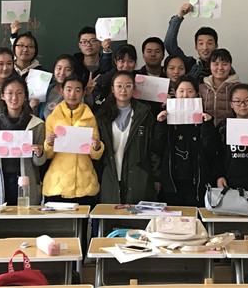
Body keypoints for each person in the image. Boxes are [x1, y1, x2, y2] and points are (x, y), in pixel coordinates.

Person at [153, 76, 222, 206]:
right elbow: (157, 147)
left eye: (190, 91)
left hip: (197, 181)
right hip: (172, 180)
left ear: (197, 94)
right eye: (181, 91)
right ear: (175, 93)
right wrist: (160, 124)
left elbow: (211, 149)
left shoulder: (205, 118)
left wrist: (207, 125)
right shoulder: (165, 117)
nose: (185, 95)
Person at [0, 78, 46, 210]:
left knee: (25, 218)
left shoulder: (37, 124)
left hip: (27, 181)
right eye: (9, 93)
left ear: (26, 96)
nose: (14, 98)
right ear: (2, 96)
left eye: (19, 93)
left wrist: (39, 154)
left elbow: (39, 162)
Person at [96, 71, 160, 204]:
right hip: (110, 176)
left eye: (128, 86)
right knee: (110, 213)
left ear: (134, 89)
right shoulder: (102, 115)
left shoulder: (144, 114)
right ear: (112, 89)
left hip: (139, 178)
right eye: (119, 86)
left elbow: (153, 148)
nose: (123, 90)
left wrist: (156, 177)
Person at [43, 74, 104, 205]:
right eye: (69, 89)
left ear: (83, 93)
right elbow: (48, 155)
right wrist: (49, 143)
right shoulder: (52, 118)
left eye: (77, 90)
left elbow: (95, 156)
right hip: (58, 184)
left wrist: (97, 146)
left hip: (84, 183)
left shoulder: (90, 117)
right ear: (62, 91)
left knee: (85, 218)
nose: (72, 94)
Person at [164, 3, 219, 82]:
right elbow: (169, 44)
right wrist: (179, 16)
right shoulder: (189, 64)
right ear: (196, 46)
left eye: (209, 43)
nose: (205, 47)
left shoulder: (222, 66)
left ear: (216, 46)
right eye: (201, 43)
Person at [199, 48, 240, 125]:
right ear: (210, 66)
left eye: (224, 64)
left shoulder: (238, 88)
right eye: (216, 64)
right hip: (206, 130)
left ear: (230, 66)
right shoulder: (201, 88)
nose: (220, 68)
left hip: (229, 129)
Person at [92, 44, 139, 111]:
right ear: (116, 61)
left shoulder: (140, 79)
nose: (126, 65)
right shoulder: (104, 81)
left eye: (130, 61)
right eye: (122, 61)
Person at [73, 26, 112, 95]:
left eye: (93, 41)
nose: (88, 44)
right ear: (79, 45)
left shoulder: (109, 63)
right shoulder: (73, 66)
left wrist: (107, 51)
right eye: (84, 42)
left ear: (100, 43)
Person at [38, 54, 76, 120]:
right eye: (59, 68)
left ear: (73, 72)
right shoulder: (46, 89)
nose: (62, 73)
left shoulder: (76, 93)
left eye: (67, 70)